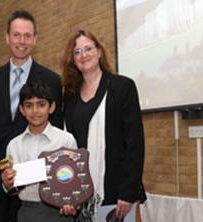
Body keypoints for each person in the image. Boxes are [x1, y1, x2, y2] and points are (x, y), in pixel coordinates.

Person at [0, 9, 63, 222]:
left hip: (35, 185)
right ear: (7, 37)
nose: (21, 41)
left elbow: (56, 131)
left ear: (35, 39)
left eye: (27, 35)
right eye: (16, 35)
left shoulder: (51, 80)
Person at [61, 29, 146, 220]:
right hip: (80, 194)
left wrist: (127, 193)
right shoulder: (69, 96)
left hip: (116, 193)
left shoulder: (123, 87)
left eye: (88, 48)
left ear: (99, 52)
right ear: (73, 60)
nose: (83, 55)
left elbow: (135, 145)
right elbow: (66, 147)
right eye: (77, 52)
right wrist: (67, 191)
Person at [1, 81, 77, 222]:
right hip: (27, 212)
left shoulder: (66, 140)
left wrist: (73, 202)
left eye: (41, 104)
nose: (35, 111)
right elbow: (12, 189)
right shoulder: (14, 145)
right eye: (29, 105)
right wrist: (7, 184)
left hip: (59, 213)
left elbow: (74, 181)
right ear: (22, 110)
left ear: (52, 107)